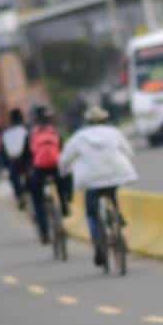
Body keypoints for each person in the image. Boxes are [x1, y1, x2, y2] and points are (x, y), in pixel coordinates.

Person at [59, 105, 136, 268]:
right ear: (105, 119)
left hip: (91, 180)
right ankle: (117, 218)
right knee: (111, 192)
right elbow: (129, 152)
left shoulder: (79, 137)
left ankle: (98, 245)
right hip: (115, 173)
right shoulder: (114, 132)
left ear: (87, 121)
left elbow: (65, 159)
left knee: (92, 213)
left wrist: (63, 171)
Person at [27, 106, 74, 244]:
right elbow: (63, 151)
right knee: (65, 178)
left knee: (38, 200)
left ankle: (44, 233)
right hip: (55, 167)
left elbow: (27, 155)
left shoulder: (32, 134)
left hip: (39, 169)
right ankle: (65, 204)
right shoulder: (55, 131)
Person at [1, 108, 30, 208]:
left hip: (14, 161)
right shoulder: (27, 129)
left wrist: (4, 166)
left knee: (13, 177)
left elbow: (3, 151)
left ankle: (20, 196)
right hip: (29, 160)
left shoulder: (6, 133)